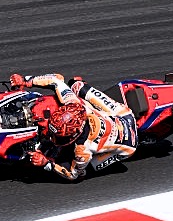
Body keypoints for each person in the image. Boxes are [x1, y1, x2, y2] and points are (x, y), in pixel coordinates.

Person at [9, 73, 138, 181]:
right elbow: (55, 80)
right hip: (123, 115)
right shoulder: (73, 104)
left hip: (128, 145)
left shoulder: (82, 151)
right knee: (76, 85)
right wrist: (26, 81)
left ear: (74, 136)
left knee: (88, 168)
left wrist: (47, 162)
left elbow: (73, 175)